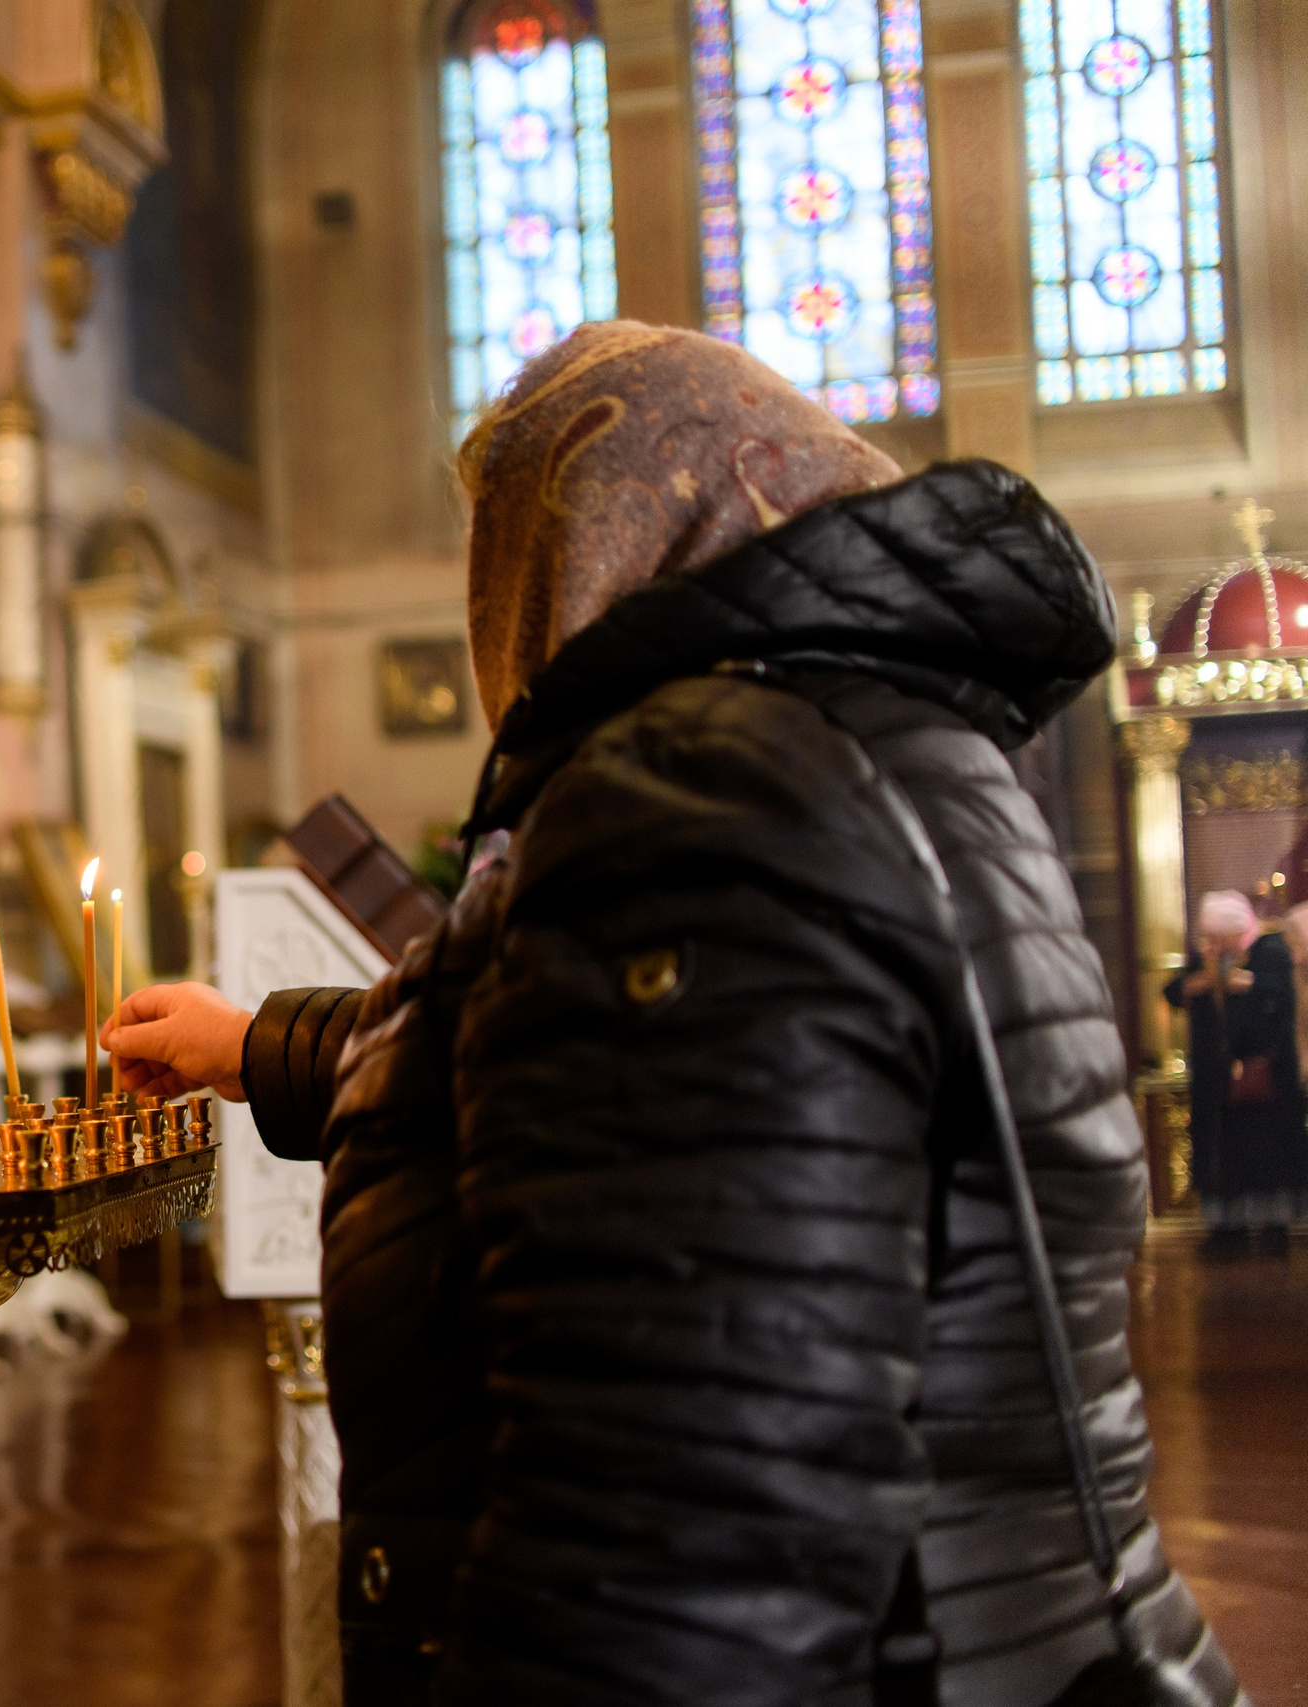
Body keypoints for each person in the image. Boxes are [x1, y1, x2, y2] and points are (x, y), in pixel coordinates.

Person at [105, 322, 1240, 1705]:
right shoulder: (885, 749)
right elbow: (656, 1093)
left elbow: (679, 1536)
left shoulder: (697, 789)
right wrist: (259, 1044)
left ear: (572, 546)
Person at [1168, 889, 1306, 1254]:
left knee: (1267, 1153)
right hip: (1218, 1081)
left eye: (1217, 936)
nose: (1212, 943)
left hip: (1266, 1078)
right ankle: (1227, 1229)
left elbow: (1283, 999)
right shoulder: (1206, 961)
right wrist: (1201, 983)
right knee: (1224, 1153)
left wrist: (1248, 984)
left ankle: (1273, 1228)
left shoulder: (1268, 953)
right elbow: (1171, 991)